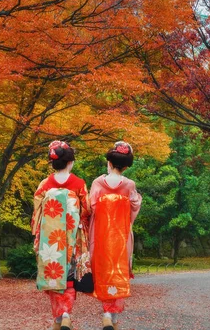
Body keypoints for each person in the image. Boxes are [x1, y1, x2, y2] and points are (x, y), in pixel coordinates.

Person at [31, 141, 91, 330]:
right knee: (69, 277)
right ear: (70, 162)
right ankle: (65, 314)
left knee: (53, 276)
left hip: (51, 240)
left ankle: (59, 317)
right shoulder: (79, 184)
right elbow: (87, 209)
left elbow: (37, 211)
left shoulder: (45, 184)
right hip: (71, 238)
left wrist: (38, 232)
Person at [89, 141, 142, 330]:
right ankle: (111, 317)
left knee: (103, 271)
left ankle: (106, 314)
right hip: (120, 236)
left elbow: (91, 207)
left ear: (109, 162)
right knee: (118, 271)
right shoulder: (129, 185)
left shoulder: (97, 182)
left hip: (101, 235)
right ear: (126, 166)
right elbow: (135, 206)